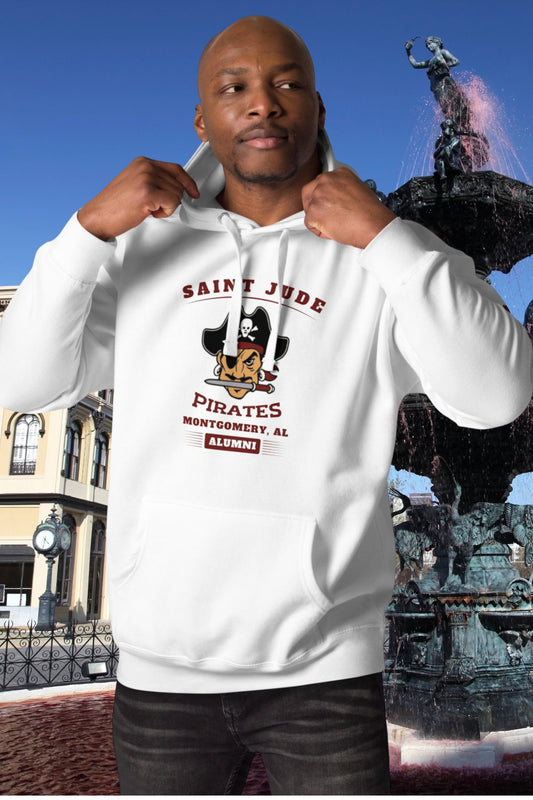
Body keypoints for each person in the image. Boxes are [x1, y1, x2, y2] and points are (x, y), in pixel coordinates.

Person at [1, 15, 532, 796]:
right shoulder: (138, 247)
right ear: (202, 118)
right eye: (234, 87)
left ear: (319, 110)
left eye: (287, 84)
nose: (262, 104)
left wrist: (387, 238)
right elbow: (21, 382)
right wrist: (84, 235)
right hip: (161, 677)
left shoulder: (384, 251)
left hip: (326, 677)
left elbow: (494, 398)